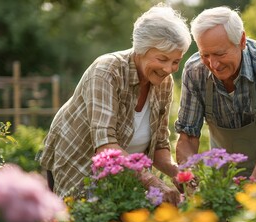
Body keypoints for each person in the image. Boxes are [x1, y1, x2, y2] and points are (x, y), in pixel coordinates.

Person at [38, 3, 192, 205]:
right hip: (79, 167)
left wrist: (179, 174)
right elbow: (105, 146)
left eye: (176, 61)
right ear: (141, 49)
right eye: (162, 58)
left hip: (124, 178)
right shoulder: (107, 71)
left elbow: (160, 145)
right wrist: (155, 182)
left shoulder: (164, 83)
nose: (169, 68)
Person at [175, 6, 256, 182]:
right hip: (229, 175)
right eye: (205, 54)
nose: (213, 64)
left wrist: (254, 189)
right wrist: (192, 182)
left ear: (242, 40)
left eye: (220, 54)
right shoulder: (194, 71)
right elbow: (188, 138)